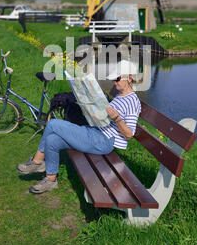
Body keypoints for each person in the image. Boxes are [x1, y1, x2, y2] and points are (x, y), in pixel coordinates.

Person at [16, 60, 141, 194]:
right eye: (113, 80)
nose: (114, 82)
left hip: (104, 140)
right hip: (95, 132)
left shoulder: (133, 101)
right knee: (52, 139)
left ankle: (37, 162)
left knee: (53, 124)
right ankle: (50, 180)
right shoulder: (119, 96)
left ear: (129, 78)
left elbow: (129, 134)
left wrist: (117, 118)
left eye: (117, 79)